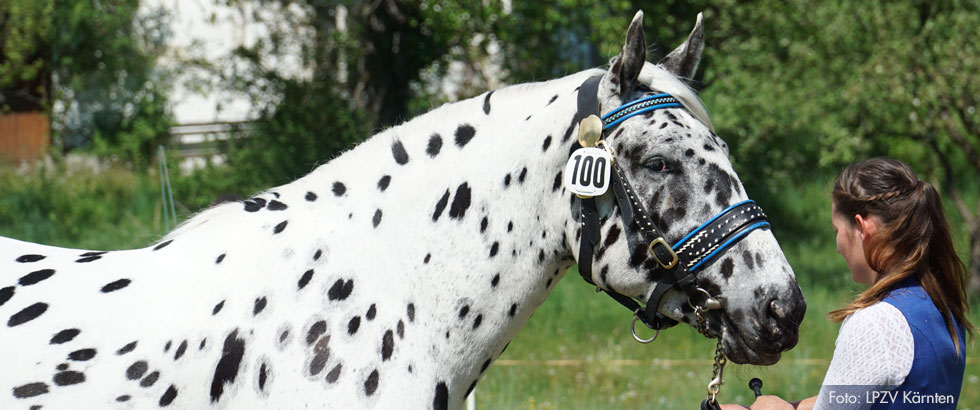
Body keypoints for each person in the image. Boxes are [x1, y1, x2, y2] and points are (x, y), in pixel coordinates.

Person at [722, 158, 973, 410]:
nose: (837, 247)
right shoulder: (944, 309)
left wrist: (772, 407)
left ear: (861, 228)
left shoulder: (876, 324)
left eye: (836, 231)